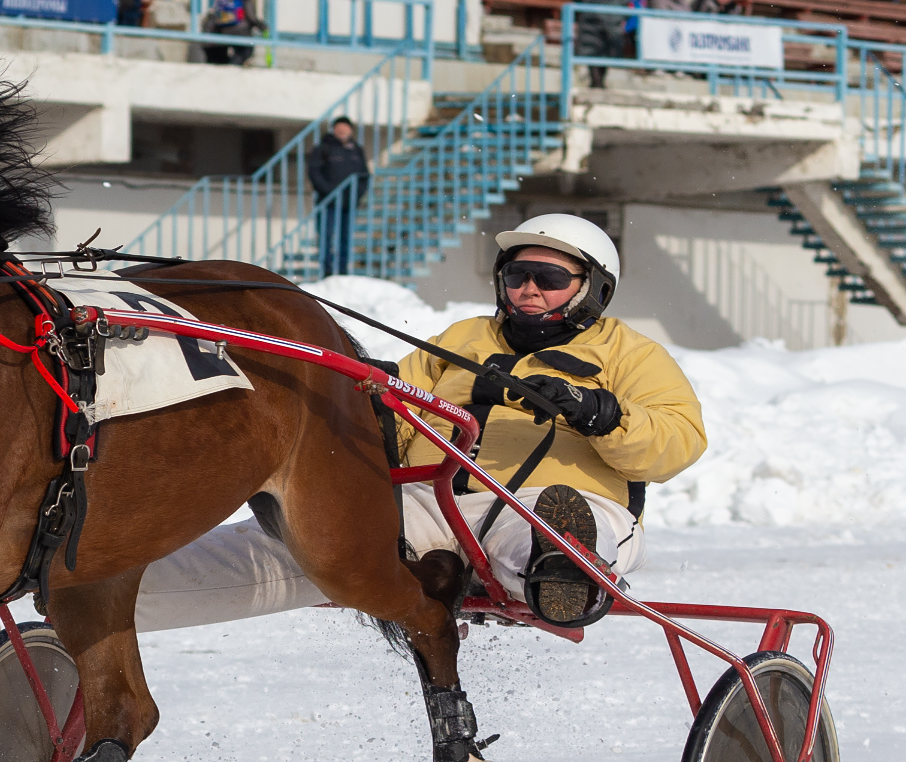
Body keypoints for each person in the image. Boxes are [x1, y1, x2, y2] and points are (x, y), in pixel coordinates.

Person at [135, 214, 706, 634]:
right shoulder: (461, 341)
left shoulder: (631, 354)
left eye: (548, 279)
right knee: (319, 539)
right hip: (433, 503)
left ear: (592, 289)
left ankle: (559, 574)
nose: (528, 289)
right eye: (517, 275)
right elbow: (397, 419)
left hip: (557, 501)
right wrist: (371, 400)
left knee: (536, 534)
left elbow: (678, 442)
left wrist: (601, 413)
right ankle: (113, 587)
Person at [306, 117, 369, 277]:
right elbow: (314, 172)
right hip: (329, 201)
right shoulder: (324, 148)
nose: (342, 131)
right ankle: (327, 269)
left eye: (345, 128)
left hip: (349, 202)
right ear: (333, 130)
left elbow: (364, 175)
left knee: (345, 237)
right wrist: (328, 191)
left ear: (351, 130)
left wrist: (358, 193)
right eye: (338, 128)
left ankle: (342, 269)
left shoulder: (356, 149)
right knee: (326, 236)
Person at [201, 0, 263, 65]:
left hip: (221, 33)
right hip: (241, 33)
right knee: (243, 54)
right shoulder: (246, 1)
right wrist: (263, 27)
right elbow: (252, 17)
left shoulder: (220, 2)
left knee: (221, 61)